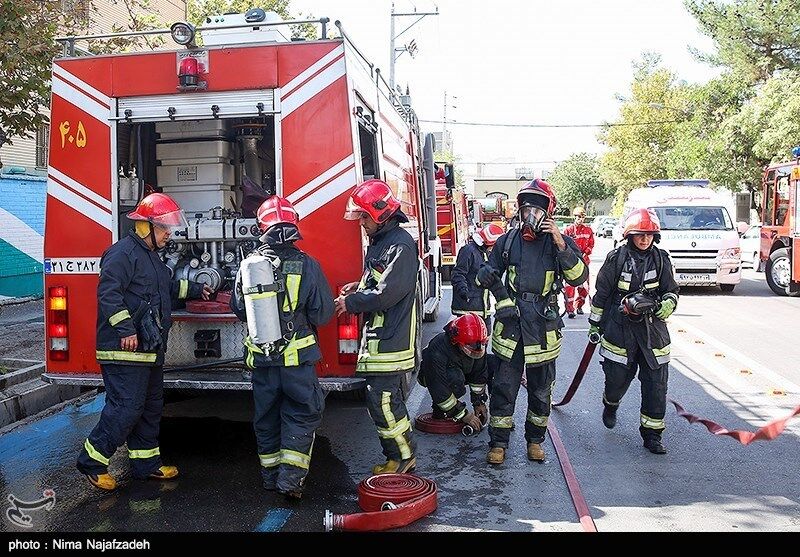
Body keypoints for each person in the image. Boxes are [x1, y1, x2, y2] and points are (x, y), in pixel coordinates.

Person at [77, 193, 211, 491]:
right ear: (146, 226)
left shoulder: (150, 257)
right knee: (126, 407)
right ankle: (92, 461)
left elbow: (167, 286)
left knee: (150, 407)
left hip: (148, 351)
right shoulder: (121, 254)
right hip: (124, 349)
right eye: (164, 228)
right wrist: (125, 329)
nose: (169, 234)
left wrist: (197, 288)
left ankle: (145, 464)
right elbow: (109, 294)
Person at [476, 180, 588, 465]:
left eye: (537, 209)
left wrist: (561, 243)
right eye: (526, 208)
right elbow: (487, 274)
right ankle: (499, 443)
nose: (531, 215)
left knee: (541, 390)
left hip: (543, 327)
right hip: (511, 328)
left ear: (548, 212)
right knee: (503, 387)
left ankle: (535, 441)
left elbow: (578, 277)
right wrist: (489, 280)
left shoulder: (560, 243)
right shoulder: (507, 241)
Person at [230, 196, 334, 499]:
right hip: (297, 362)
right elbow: (323, 313)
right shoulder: (307, 264)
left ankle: (269, 476)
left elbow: (239, 308)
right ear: (293, 226)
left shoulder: (249, 265)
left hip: (262, 362)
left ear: (262, 227)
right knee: (301, 414)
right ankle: (290, 481)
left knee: (266, 418)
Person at [334, 179, 418, 475]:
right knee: (380, 401)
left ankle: (404, 457)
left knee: (383, 402)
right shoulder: (384, 242)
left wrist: (353, 302)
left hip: (391, 341)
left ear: (381, 213)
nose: (361, 223)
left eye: (365, 216)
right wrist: (358, 286)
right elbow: (378, 281)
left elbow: (388, 293)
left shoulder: (402, 245)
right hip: (380, 339)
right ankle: (397, 455)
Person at [588, 208, 679, 454]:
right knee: (616, 381)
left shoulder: (661, 259)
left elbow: (671, 290)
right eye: (640, 235)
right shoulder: (616, 259)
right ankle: (610, 403)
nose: (644, 239)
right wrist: (595, 325)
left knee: (656, 386)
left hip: (653, 333)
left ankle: (652, 436)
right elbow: (602, 295)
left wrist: (667, 304)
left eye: (649, 235)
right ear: (630, 235)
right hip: (620, 331)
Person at [418, 314, 489, 433]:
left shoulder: (477, 342)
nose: (476, 350)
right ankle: (441, 411)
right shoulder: (438, 348)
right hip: (432, 377)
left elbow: (479, 375)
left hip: (460, 370)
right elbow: (438, 386)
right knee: (454, 377)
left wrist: (479, 402)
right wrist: (463, 414)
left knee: (492, 364)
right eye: (470, 346)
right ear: (456, 340)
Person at [451, 223, 505, 331]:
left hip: (483, 309)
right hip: (468, 309)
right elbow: (458, 274)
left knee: (485, 337)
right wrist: (464, 292)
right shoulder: (468, 251)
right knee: (470, 344)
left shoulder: (485, 253)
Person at [563, 206, 595, 318]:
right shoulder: (568, 230)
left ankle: (579, 306)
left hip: (584, 263)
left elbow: (591, 244)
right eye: (578, 217)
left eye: (582, 217)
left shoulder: (588, 231)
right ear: (574, 217)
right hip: (571, 264)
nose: (580, 219)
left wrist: (585, 253)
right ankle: (570, 309)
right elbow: (564, 245)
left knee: (584, 288)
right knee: (569, 288)